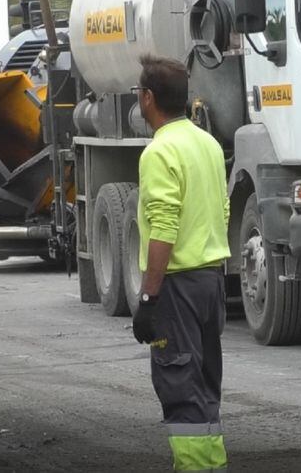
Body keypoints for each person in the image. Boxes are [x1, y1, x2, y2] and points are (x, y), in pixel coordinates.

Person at [131, 54, 230, 472]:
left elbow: (163, 229)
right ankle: (211, 467)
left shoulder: (159, 151)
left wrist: (149, 298)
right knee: (205, 384)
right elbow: (221, 211)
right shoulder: (207, 143)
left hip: (178, 288)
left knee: (179, 386)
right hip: (211, 281)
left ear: (148, 97)